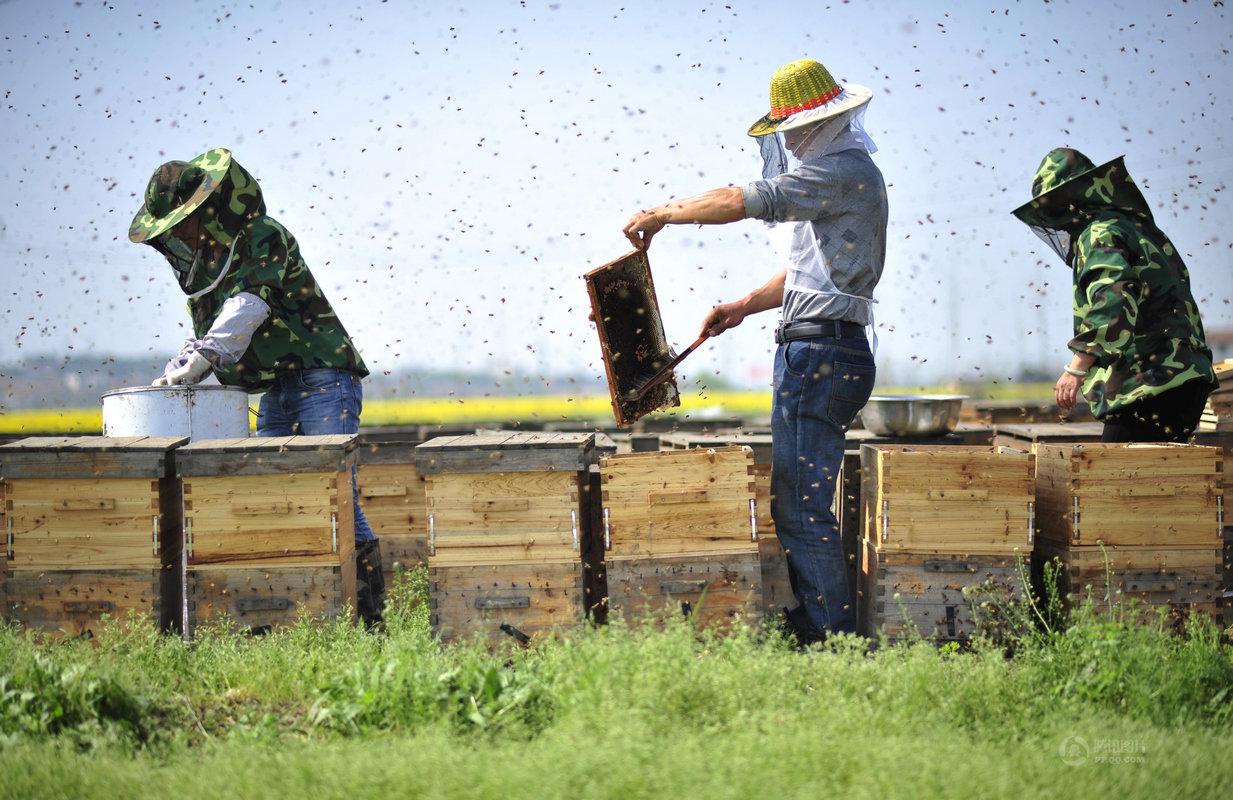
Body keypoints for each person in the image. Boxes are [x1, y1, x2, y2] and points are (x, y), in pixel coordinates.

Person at [622, 59, 887, 644]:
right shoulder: (844, 172)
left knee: (801, 508)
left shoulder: (840, 170)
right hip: (829, 350)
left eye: (793, 129)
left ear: (824, 122)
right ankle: (824, 625)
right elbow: (808, 275)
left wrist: (664, 211)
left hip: (818, 356)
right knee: (803, 502)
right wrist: (742, 306)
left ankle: (830, 639)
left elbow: (742, 197)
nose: (788, 140)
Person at [129, 147, 385, 626]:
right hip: (278, 386)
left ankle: (370, 626)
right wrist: (179, 365)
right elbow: (210, 324)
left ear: (208, 208)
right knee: (276, 492)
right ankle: (305, 620)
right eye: (171, 229)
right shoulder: (206, 267)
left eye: (183, 221)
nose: (180, 234)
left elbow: (247, 306)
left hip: (324, 377)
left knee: (337, 496)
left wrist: (203, 360)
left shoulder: (264, 236)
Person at [1012, 148, 1216, 442]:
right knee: (1163, 483)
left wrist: (1076, 369)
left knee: (1114, 482)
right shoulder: (1139, 230)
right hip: (1185, 380)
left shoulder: (1099, 233)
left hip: (1149, 384)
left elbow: (1114, 301)